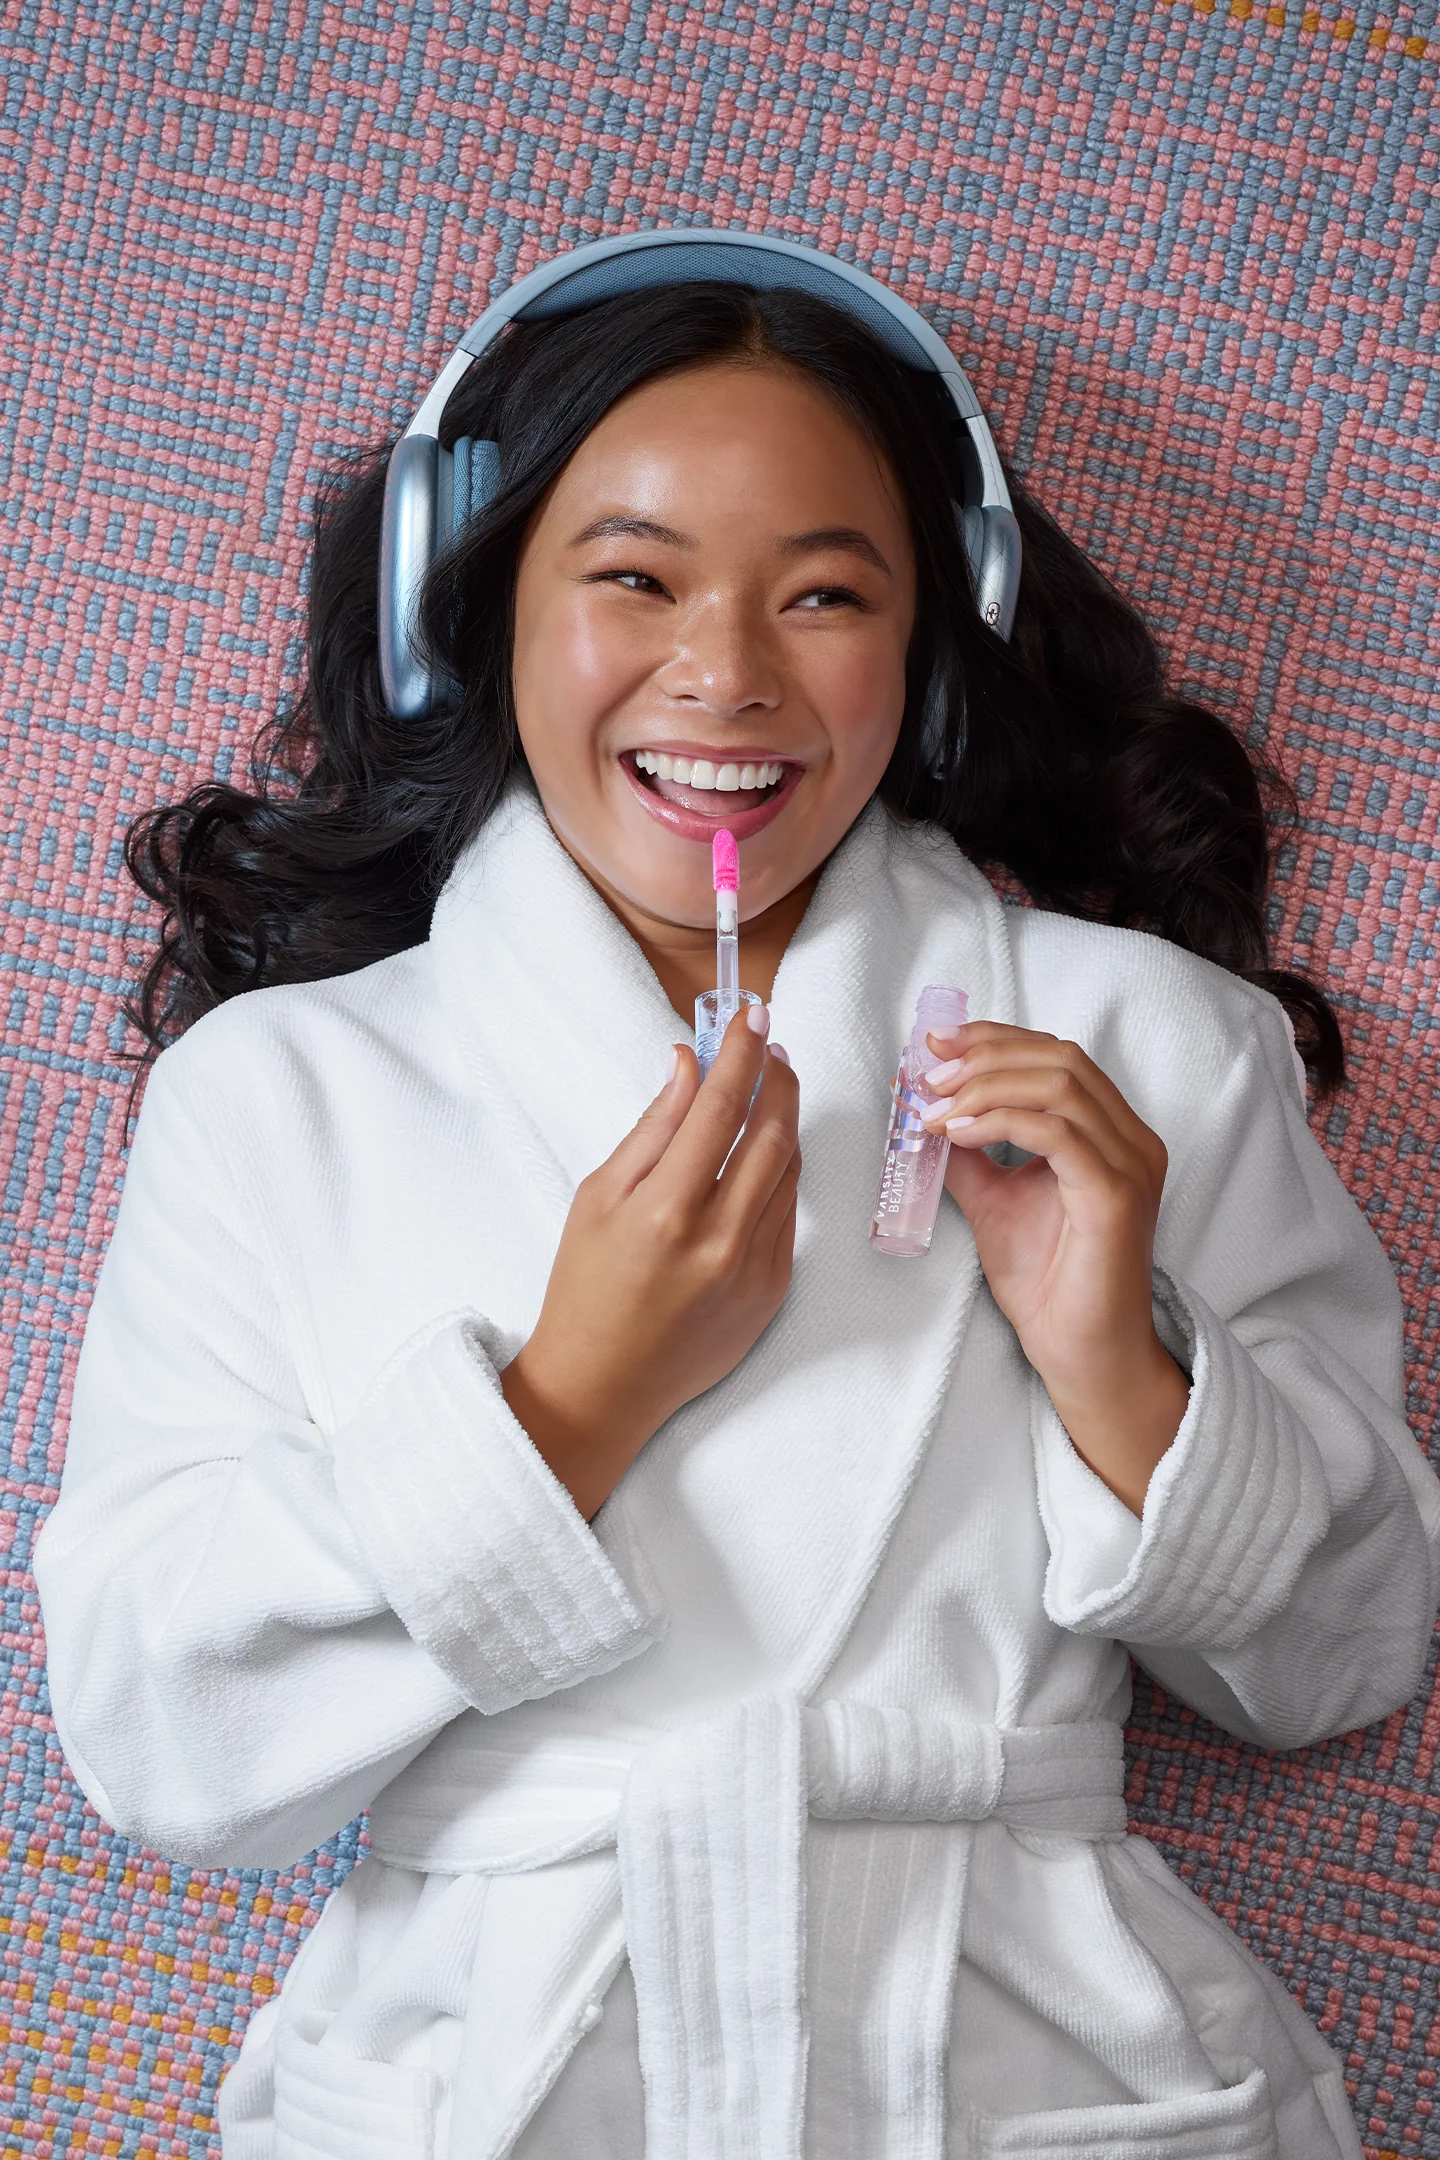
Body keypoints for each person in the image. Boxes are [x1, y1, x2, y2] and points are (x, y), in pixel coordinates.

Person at [33, 249, 1440, 2160]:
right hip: (488, 2075)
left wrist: (1125, 1370)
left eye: (827, 594)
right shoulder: (281, 1095)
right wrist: (573, 1398)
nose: (728, 673)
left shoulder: (1146, 1048)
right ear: (473, 609)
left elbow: (1348, 1658)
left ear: (936, 633)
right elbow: (157, 1739)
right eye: (635, 577)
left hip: (1031, 2061)